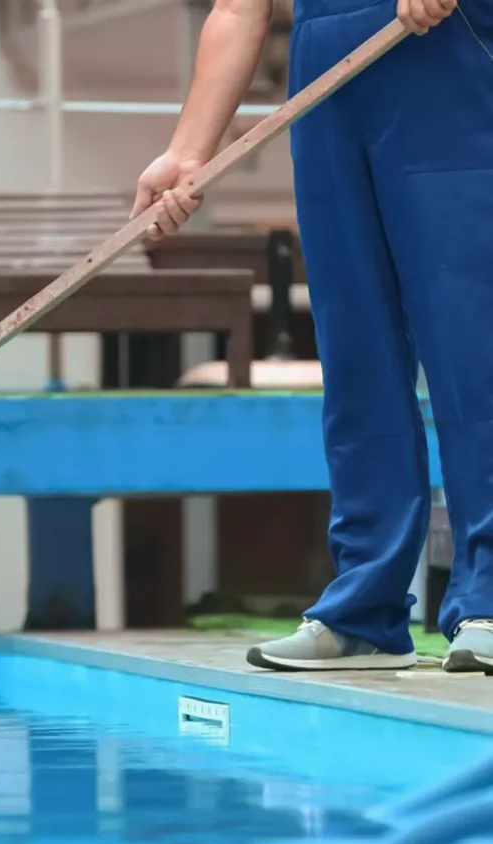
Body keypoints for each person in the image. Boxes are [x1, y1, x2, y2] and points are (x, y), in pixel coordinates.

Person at [131, 0, 493, 673]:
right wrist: (186, 152)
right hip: (327, 77)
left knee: (472, 342)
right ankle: (365, 610)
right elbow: (242, 7)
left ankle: (490, 598)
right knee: (358, 354)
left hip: (448, 53)